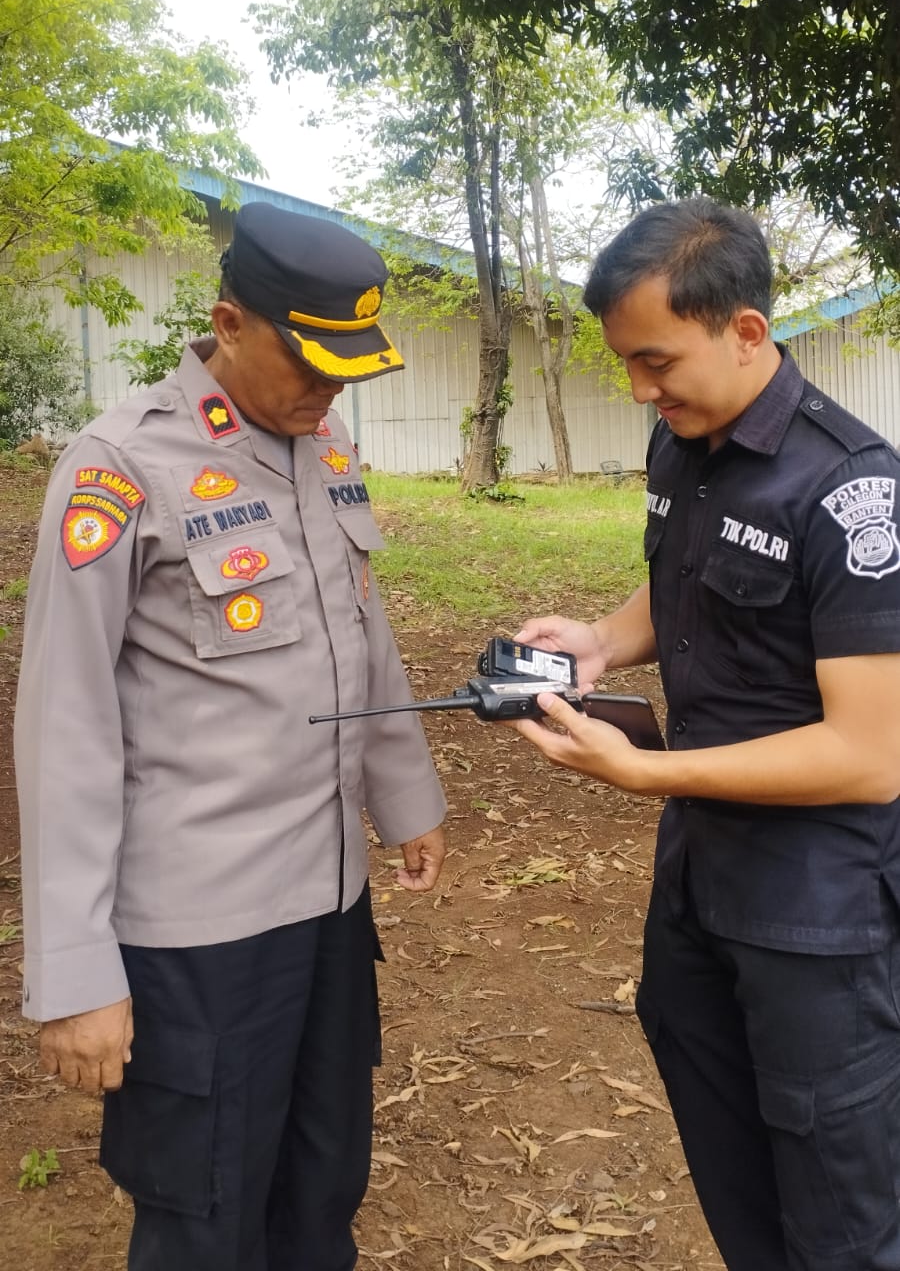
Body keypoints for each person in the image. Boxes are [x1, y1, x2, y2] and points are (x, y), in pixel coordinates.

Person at [14, 201, 447, 1271]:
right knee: (204, 1213)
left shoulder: (323, 442)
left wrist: (405, 795)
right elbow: (64, 724)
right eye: (312, 363)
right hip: (198, 929)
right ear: (229, 322)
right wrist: (75, 971)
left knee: (322, 1183)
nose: (331, 391)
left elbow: (362, 631)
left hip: (329, 904)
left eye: (349, 369)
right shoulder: (122, 465)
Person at [510, 198, 900, 1271]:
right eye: (627, 365)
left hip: (816, 918)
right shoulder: (684, 441)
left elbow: (870, 754)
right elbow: (686, 584)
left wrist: (646, 772)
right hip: (698, 884)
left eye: (657, 361)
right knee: (733, 1167)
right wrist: (602, 640)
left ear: (746, 331)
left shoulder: (851, 489)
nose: (642, 390)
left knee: (840, 1208)